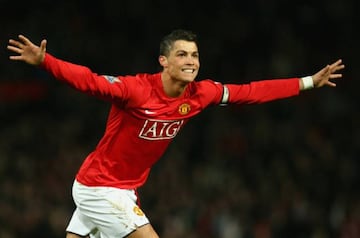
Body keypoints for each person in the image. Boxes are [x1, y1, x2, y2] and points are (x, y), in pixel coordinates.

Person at [7, 29, 344, 238]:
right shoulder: (136, 89)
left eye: (195, 55)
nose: (191, 60)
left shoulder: (200, 94)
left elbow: (250, 91)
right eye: (181, 54)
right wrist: (46, 61)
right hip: (99, 187)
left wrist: (308, 82)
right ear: (163, 62)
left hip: (125, 191)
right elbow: (89, 80)